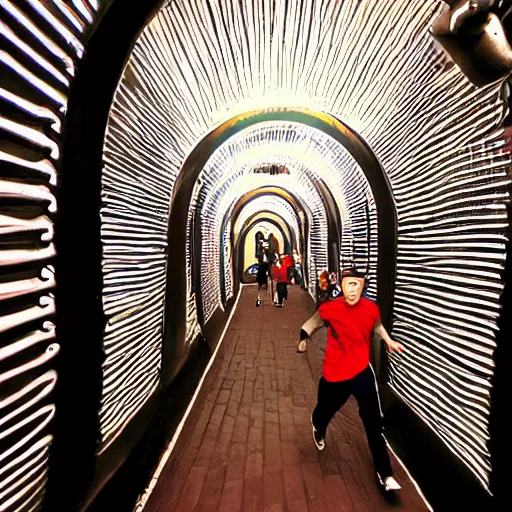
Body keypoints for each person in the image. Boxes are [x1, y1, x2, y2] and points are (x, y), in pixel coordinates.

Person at [297, 267, 404, 493]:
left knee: (373, 422)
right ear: (342, 286)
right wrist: (304, 339)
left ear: (361, 286)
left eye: (356, 284)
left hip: (362, 373)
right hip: (335, 375)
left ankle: (385, 473)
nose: (353, 289)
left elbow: (376, 326)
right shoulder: (331, 309)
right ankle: (318, 424)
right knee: (325, 410)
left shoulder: (370, 309)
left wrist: (388, 340)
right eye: (348, 284)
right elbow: (312, 323)